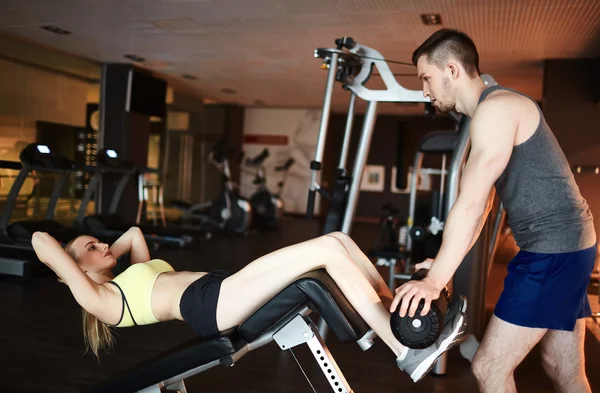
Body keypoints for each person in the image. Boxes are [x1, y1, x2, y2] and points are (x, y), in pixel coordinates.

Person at [390, 28, 596, 393]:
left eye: (427, 78)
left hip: (555, 251)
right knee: (563, 368)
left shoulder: (495, 109)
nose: (424, 90)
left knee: (488, 368)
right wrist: (440, 267)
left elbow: (469, 205)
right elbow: (482, 203)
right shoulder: (491, 111)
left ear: (452, 69)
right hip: (565, 247)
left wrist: (436, 280)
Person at [31, 226, 466, 383]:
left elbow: (132, 233)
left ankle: (391, 312)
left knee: (338, 241)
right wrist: (74, 269)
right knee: (327, 253)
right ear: (75, 271)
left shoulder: (127, 278)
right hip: (210, 306)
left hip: (220, 289)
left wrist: (96, 255)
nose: (104, 244)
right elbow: (40, 242)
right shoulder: (104, 301)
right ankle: (403, 348)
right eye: (92, 246)